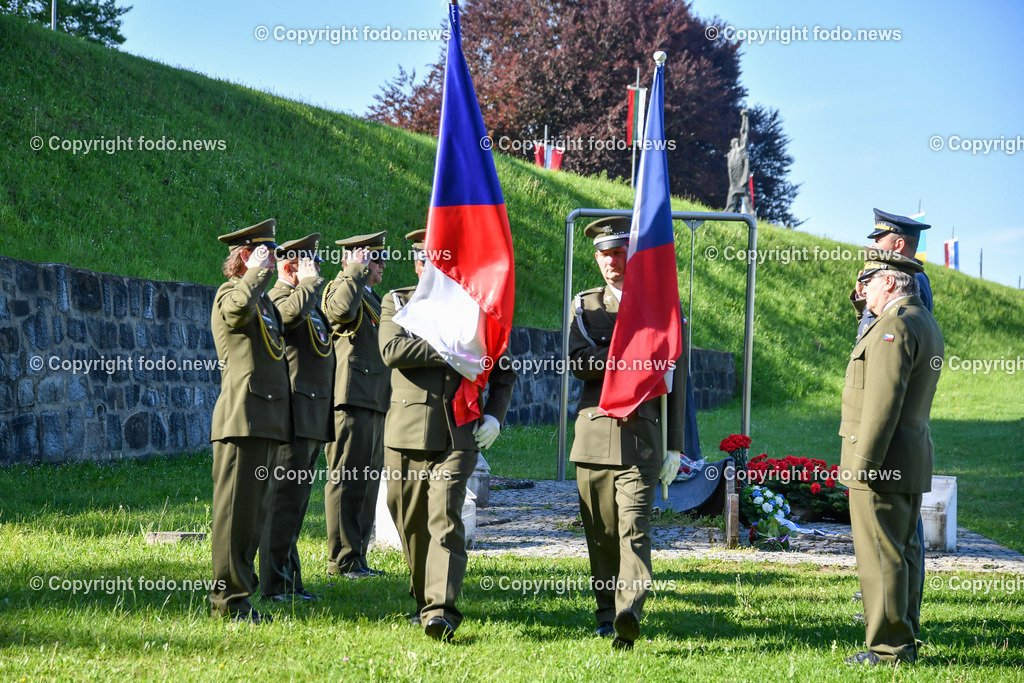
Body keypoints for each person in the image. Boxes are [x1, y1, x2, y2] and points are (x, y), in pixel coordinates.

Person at [378, 265, 516, 642]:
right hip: (406, 432)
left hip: (459, 432)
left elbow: (503, 370)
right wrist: (452, 347)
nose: (431, 265)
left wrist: (495, 416)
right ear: (416, 262)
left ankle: (440, 610)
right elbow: (392, 350)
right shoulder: (398, 300)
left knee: (444, 516)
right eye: (424, 258)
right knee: (409, 519)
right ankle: (423, 597)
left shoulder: (477, 306)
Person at [568, 216, 688, 650]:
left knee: (634, 529)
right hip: (595, 436)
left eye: (618, 253)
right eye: (603, 255)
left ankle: (628, 611)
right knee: (601, 535)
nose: (611, 262)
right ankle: (606, 614)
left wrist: (675, 445)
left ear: (632, 255)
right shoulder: (585, 306)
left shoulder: (661, 305)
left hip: (642, 437)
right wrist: (627, 356)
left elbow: (679, 378)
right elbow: (578, 362)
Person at [840, 252, 943, 665]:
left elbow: (884, 401)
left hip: (882, 461)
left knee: (881, 554)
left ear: (887, 282)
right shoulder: (920, 318)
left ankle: (889, 649)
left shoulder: (894, 325)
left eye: (867, 281)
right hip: (907, 455)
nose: (862, 289)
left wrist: (864, 462)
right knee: (904, 551)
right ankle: (905, 635)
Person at [849, 208, 933, 622]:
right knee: (900, 544)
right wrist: (863, 296)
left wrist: (864, 460)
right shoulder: (905, 306)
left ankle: (891, 636)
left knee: (891, 544)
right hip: (902, 446)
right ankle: (901, 624)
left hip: (888, 450)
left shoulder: (902, 314)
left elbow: (887, 391)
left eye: (878, 245)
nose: (871, 249)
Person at [209, 218, 291, 624]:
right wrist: (255, 273)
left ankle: (241, 594)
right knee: (235, 518)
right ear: (246, 254)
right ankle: (227, 601)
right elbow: (236, 311)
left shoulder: (264, 302)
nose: (273, 259)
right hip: (242, 419)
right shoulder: (231, 292)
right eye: (266, 252)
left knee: (253, 518)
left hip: (266, 419)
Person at [259, 233, 334, 602]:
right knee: (282, 501)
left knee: (297, 503)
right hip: (292, 415)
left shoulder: (308, 300)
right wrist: (307, 284)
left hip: (311, 415)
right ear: (291, 266)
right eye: (311, 263)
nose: (317, 269)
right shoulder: (279, 298)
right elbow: (287, 318)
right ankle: (274, 584)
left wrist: (308, 288)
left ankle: (291, 580)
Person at [321, 231, 391, 579]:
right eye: (375, 258)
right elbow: (340, 313)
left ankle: (357, 555)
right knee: (347, 479)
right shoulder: (340, 288)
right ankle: (341, 559)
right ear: (356, 259)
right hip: (350, 399)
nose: (382, 265)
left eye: (382, 258)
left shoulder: (370, 296)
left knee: (367, 481)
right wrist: (354, 271)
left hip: (374, 399)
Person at [724, 109, 752, 214]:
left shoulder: (742, 150)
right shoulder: (730, 154)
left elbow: (744, 133)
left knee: (747, 200)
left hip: (742, 181)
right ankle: (726, 215)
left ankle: (751, 216)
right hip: (734, 182)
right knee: (731, 201)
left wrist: (745, 118)